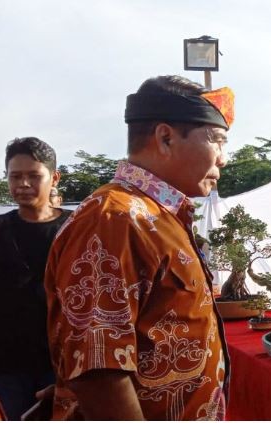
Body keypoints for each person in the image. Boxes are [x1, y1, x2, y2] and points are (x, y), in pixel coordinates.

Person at [44, 75, 233, 420]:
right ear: (165, 138)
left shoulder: (158, 215)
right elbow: (97, 371)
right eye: (217, 141)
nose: (223, 158)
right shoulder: (114, 219)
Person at [0, 137, 71, 420]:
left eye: (33, 176)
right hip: (7, 367)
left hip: (64, 364)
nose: (23, 184)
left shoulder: (77, 229)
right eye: (15, 176)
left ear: (54, 177)